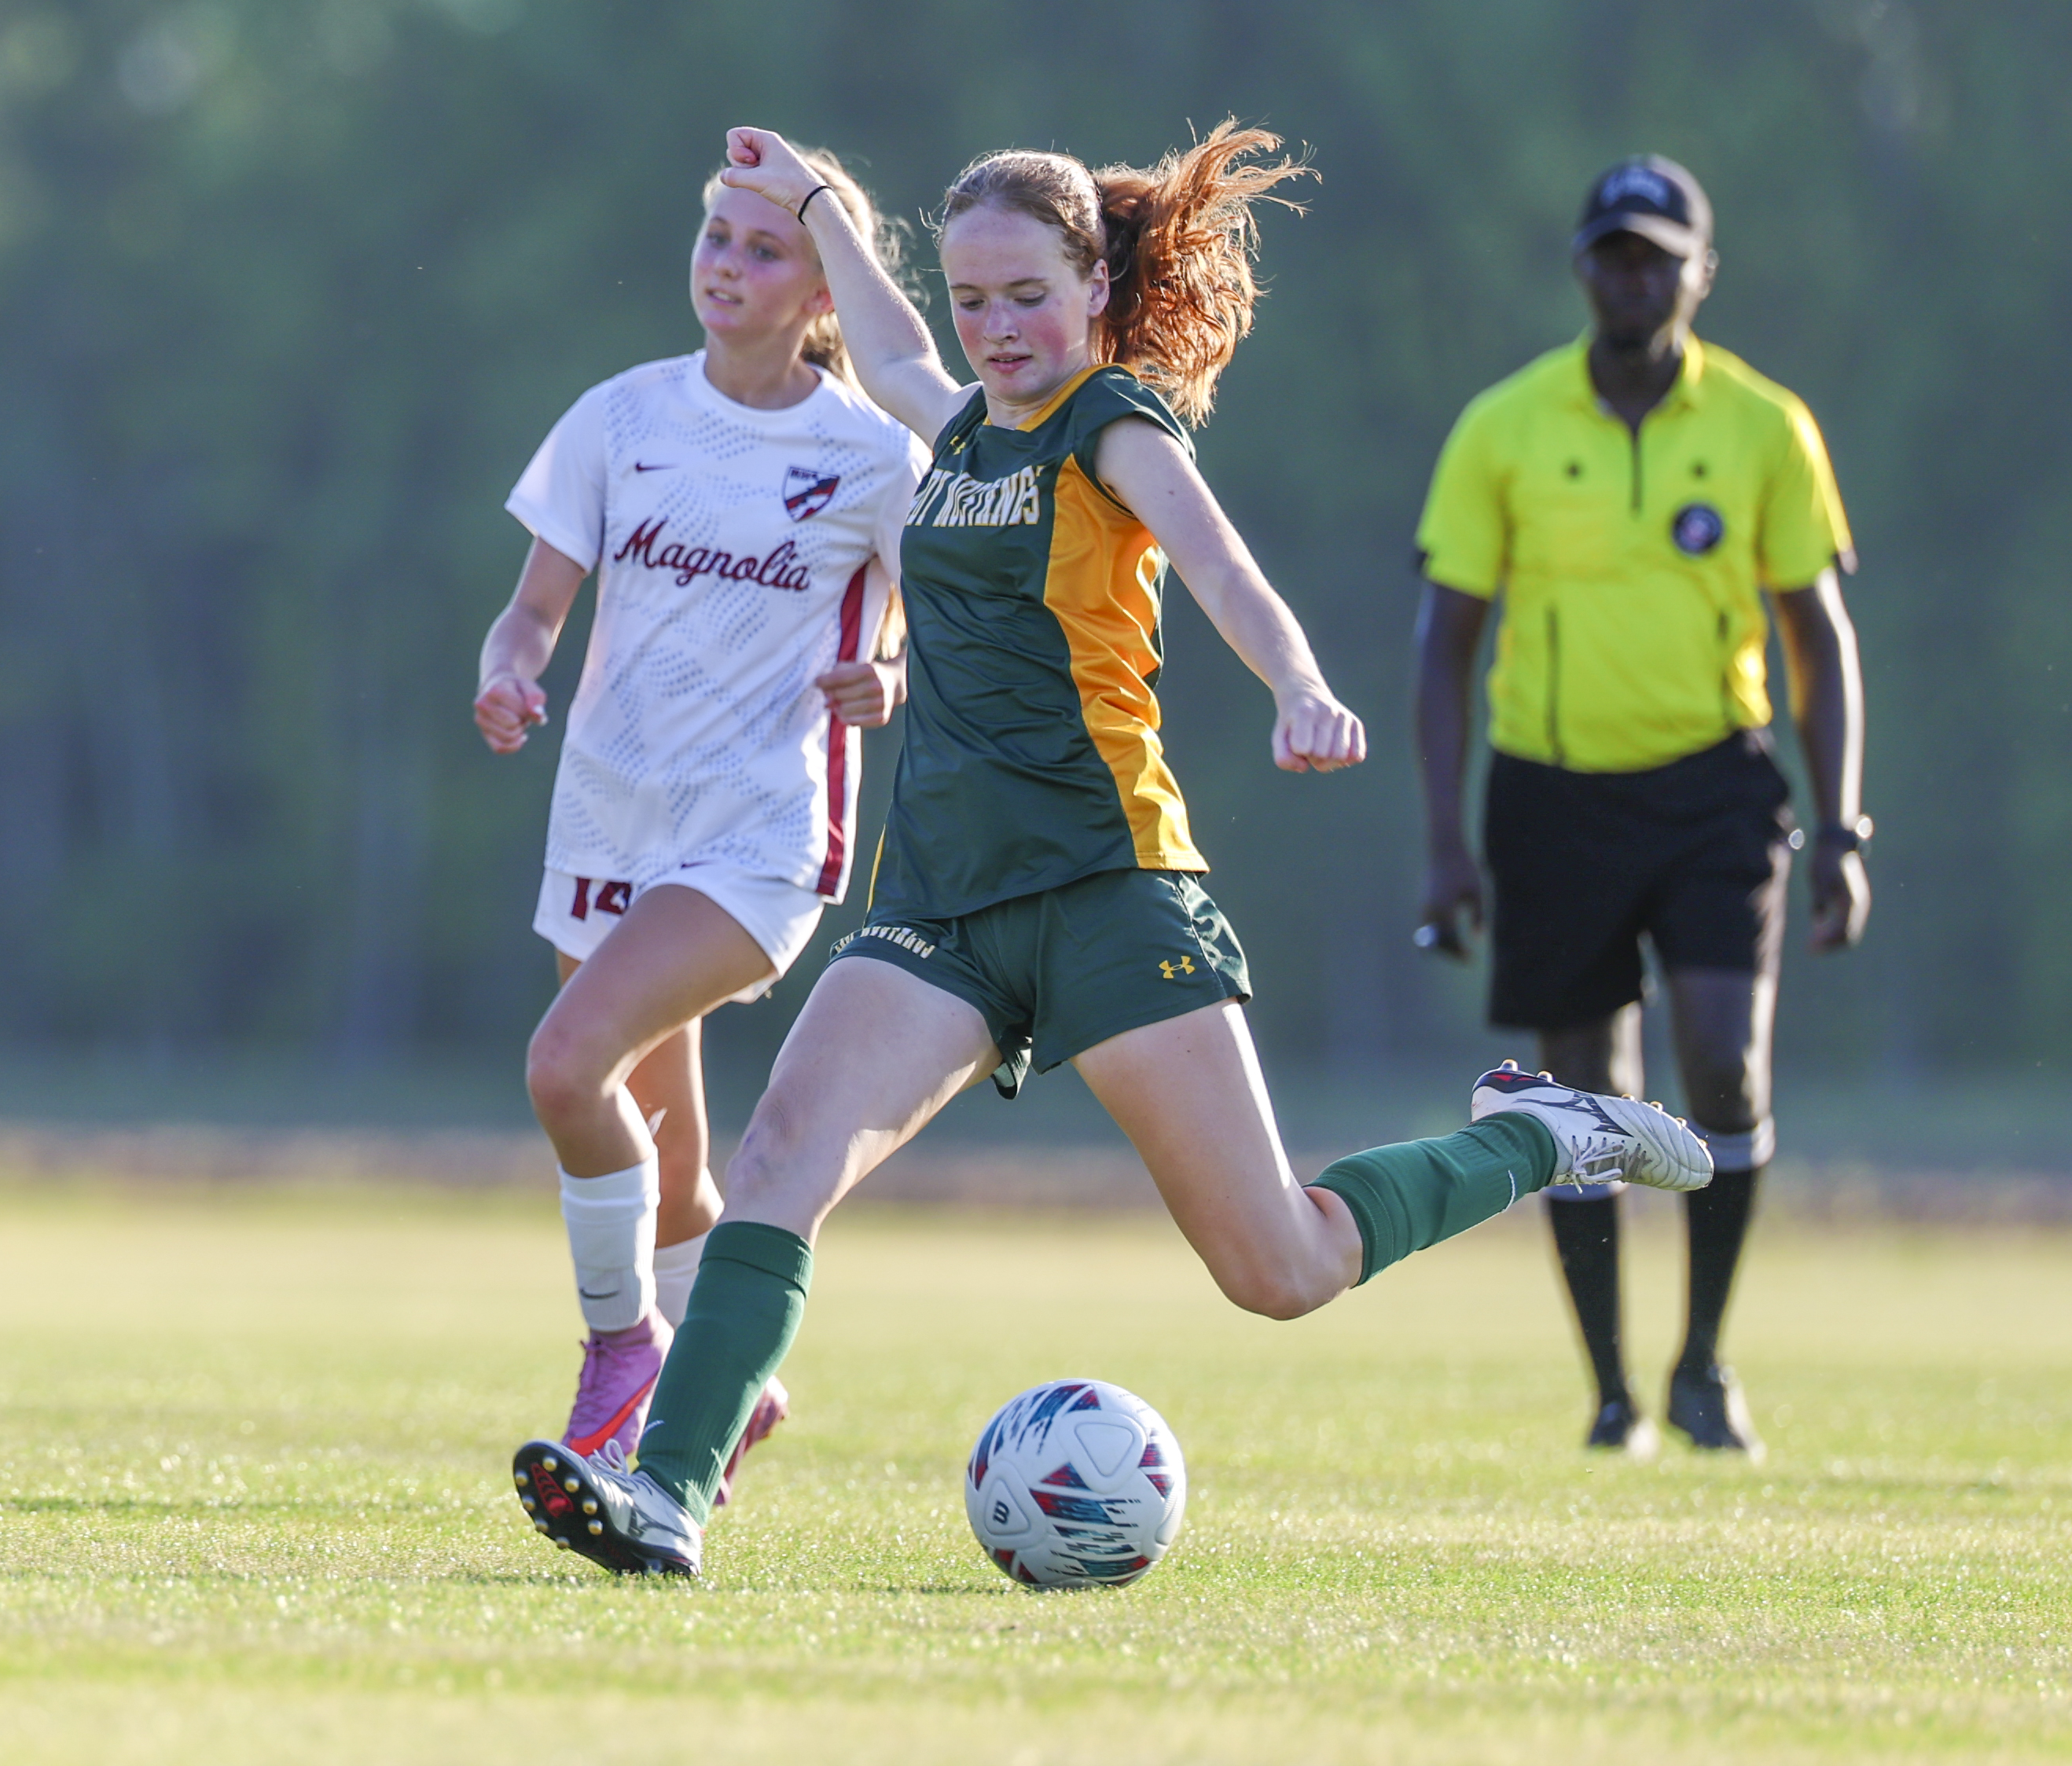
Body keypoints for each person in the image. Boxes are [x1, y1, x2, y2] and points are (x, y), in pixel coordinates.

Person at [510, 122, 1713, 1578]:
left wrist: (1298, 685)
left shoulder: (1111, 425)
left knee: (1280, 1266)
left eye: (1026, 295)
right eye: (972, 299)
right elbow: (890, 350)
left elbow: (1217, 562)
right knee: (777, 1159)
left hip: (1106, 892)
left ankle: (1534, 1133)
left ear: (1092, 286)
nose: (996, 328)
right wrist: (819, 200)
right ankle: (667, 1497)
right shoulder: (957, 426)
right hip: (940, 907)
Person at [474, 145, 925, 1494]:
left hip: (757, 837)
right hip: (607, 822)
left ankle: (623, 1354)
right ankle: (730, 1391)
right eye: (716, 237)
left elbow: (930, 639)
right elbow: (531, 610)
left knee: (567, 1068)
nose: (726, 265)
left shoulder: (874, 455)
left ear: (825, 292)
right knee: (669, 1172)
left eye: (763, 249)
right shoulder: (619, 417)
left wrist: (887, 680)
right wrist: (507, 672)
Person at [1412, 156, 1870, 1459]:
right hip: (1551, 791)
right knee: (1583, 1098)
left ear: (1699, 273)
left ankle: (1703, 1362)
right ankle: (1612, 1391)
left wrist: (1840, 828)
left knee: (1723, 1062)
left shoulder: (1764, 426)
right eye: (1613, 255)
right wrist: (1445, 843)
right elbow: (1444, 643)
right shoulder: (1503, 425)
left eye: (1657, 259)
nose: (1633, 278)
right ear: (1580, 268)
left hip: (1714, 783)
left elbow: (1817, 637)